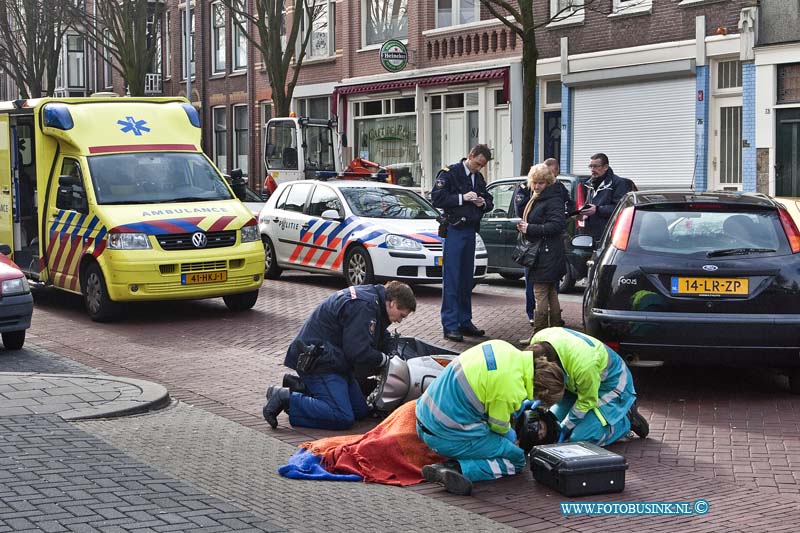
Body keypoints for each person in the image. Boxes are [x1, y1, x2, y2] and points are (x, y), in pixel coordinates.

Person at [415, 339, 565, 495]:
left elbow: (488, 387)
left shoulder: (503, 346)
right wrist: (510, 438)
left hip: (422, 416)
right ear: (540, 391)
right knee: (516, 458)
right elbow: (498, 428)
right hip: (443, 436)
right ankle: (454, 469)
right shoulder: (510, 390)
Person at [262, 281, 417, 430]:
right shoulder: (365, 306)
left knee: (360, 411)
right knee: (342, 416)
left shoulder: (373, 300)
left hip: (334, 359)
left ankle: (298, 387)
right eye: (401, 315)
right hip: (318, 361)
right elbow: (358, 351)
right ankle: (285, 397)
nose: (399, 321)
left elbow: (375, 334)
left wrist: (390, 351)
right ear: (392, 302)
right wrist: (384, 361)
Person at [529, 327, 649, 446]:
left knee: (579, 438)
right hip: (579, 383)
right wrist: (532, 398)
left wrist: (565, 427)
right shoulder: (537, 341)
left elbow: (586, 402)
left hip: (612, 385)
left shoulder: (584, 366)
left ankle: (625, 419)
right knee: (553, 422)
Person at [431, 144, 494, 342]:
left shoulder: (479, 178)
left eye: (482, 166)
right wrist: (462, 198)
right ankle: (450, 325)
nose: (479, 168)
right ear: (470, 155)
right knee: (452, 279)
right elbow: (437, 197)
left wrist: (482, 202)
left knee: (467, 279)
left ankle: (465, 321)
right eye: (478, 163)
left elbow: (489, 200)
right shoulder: (450, 173)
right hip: (455, 230)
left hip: (470, 231)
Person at [513, 158, 572, 327]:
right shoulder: (539, 197)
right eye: (535, 183)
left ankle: (539, 332)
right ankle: (554, 328)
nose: (537, 186)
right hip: (545, 251)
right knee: (551, 292)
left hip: (546, 253)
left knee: (540, 292)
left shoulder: (552, 199)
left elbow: (557, 225)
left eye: (541, 183)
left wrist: (530, 228)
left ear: (548, 182)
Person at [579, 153, 633, 243]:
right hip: (591, 234)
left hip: (608, 235)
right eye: (590, 166)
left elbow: (620, 208)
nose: (592, 170)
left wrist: (598, 210)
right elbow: (590, 205)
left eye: (596, 166)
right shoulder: (590, 183)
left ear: (605, 167)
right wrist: (583, 213)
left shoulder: (618, 183)